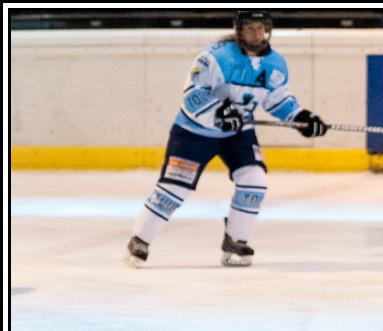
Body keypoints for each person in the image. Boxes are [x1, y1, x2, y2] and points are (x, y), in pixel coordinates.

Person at [124, 11, 328, 268]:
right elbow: (191, 96)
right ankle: (140, 239)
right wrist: (220, 112)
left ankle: (236, 241)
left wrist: (302, 118)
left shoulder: (276, 63)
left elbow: (277, 100)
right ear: (239, 30)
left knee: (255, 182)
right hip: (194, 132)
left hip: (237, 133)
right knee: (174, 191)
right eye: (250, 28)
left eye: (261, 28)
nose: (256, 34)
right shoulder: (215, 57)